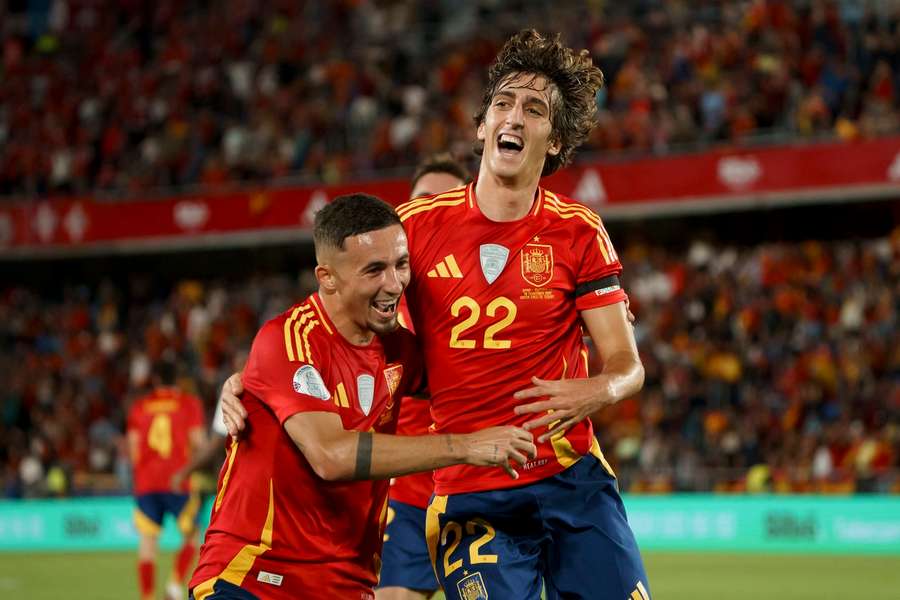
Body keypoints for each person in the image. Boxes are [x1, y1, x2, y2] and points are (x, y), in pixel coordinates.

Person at [223, 30, 649, 600]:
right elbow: (335, 322)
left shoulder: (578, 232)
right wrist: (253, 380)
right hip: (471, 489)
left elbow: (627, 363)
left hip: (571, 476)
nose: (514, 118)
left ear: (556, 140)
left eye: (533, 109)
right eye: (502, 103)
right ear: (481, 127)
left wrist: (599, 390)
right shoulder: (416, 226)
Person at [189, 194, 536, 600]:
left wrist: (574, 326)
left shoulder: (399, 350)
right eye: (375, 270)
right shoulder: (288, 339)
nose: (394, 284)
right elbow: (331, 456)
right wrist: (464, 446)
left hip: (347, 585)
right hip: (255, 578)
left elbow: (483, 374)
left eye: (401, 265)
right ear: (328, 277)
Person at [376, 154, 471, 600]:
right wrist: (240, 384)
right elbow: (305, 347)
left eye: (445, 201)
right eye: (421, 202)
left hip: (482, 492)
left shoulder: (498, 287)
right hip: (407, 498)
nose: (430, 212)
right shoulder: (371, 297)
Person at [127, 360, 206, 600]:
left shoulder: (139, 407)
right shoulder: (188, 404)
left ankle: (147, 597)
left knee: (148, 544)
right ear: (177, 381)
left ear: (155, 381)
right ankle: (173, 586)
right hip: (177, 480)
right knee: (192, 535)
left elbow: (133, 450)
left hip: (147, 483)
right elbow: (199, 443)